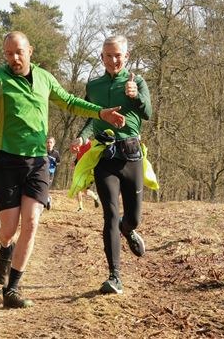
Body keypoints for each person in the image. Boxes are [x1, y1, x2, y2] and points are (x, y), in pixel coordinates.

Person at [0, 31, 126, 308]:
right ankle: (4, 249)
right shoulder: (0, 78)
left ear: (30, 51)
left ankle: (11, 290)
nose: (14, 58)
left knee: (33, 222)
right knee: (8, 229)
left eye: (19, 52)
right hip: (7, 161)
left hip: (37, 162)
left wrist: (100, 112)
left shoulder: (45, 78)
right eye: (9, 53)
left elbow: (70, 101)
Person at [72, 35, 152, 295]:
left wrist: (136, 96)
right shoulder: (93, 85)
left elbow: (148, 113)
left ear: (126, 56)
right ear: (102, 57)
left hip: (131, 156)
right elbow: (92, 117)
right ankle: (114, 276)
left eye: (118, 55)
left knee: (133, 218)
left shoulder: (136, 81)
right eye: (109, 55)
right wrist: (82, 136)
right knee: (109, 214)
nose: (113, 60)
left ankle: (127, 230)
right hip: (105, 156)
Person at [71, 140, 100, 212]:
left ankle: (95, 197)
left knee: (85, 191)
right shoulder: (79, 145)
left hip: (89, 170)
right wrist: (75, 162)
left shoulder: (91, 144)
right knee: (78, 188)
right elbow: (79, 156)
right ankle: (80, 207)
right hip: (80, 170)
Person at [45, 136, 61, 210]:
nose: (49, 144)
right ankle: (47, 200)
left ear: (53, 144)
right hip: (42, 172)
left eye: (50, 142)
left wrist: (55, 163)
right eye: (47, 142)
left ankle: (48, 200)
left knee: (46, 188)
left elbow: (59, 162)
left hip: (51, 173)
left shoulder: (56, 153)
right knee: (42, 188)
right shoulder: (42, 152)